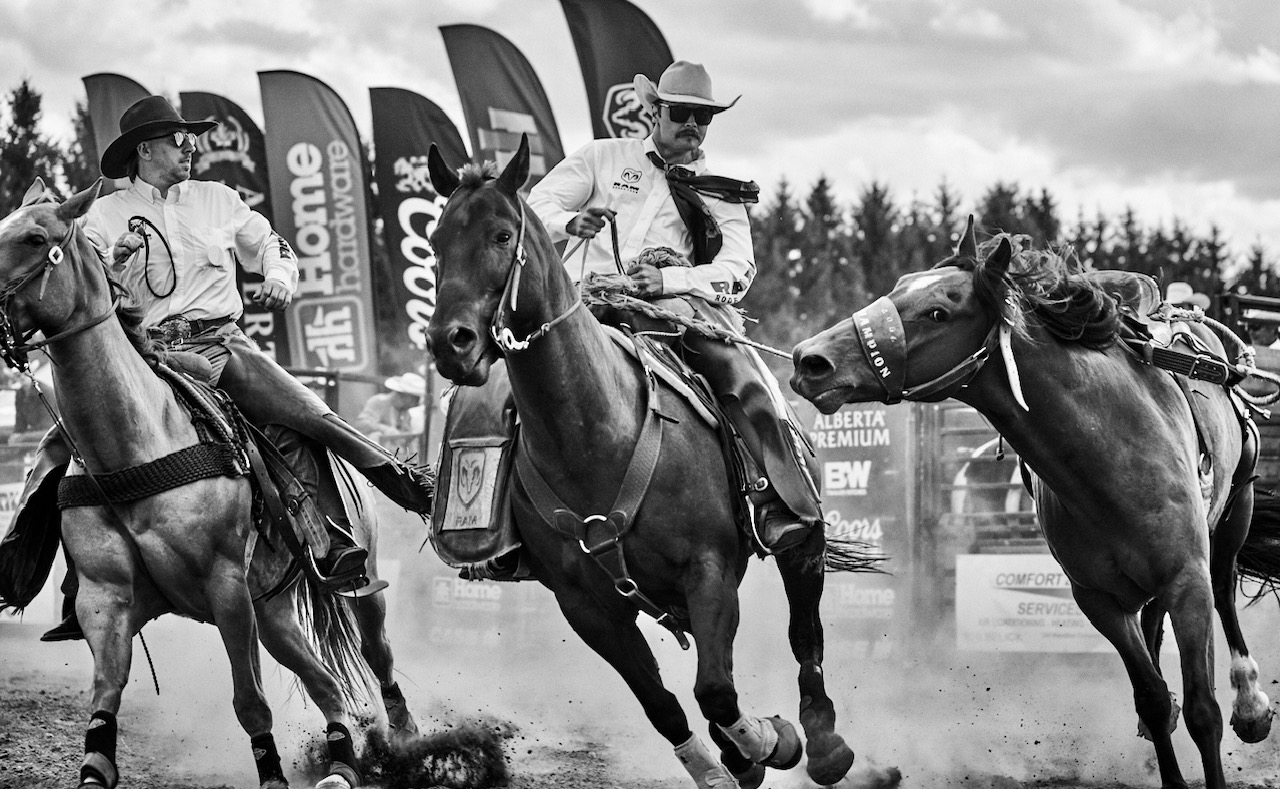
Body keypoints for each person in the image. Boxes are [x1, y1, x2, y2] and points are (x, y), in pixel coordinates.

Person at [23, 95, 433, 641]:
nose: (190, 147)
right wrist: (111, 264)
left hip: (222, 345)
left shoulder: (218, 199)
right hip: (142, 354)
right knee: (59, 449)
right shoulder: (101, 214)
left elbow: (269, 243)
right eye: (177, 139)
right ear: (145, 150)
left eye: (190, 138)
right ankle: (54, 576)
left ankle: (355, 525)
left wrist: (280, 275)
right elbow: (83, 284)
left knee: (311, 417)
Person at [527, 60, 819, 553]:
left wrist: (669, 280)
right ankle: (484, 519)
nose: (693, 125)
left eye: (703, 117)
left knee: (744, 379)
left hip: (673, 316)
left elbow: (739, 269)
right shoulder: (602, 158)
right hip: (583, 308)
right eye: (682, 112)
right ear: (655, 111)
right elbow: (537, 206)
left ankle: (774, 501)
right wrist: (572, 221)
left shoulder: (721, 190)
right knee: (494, 378)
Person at [356, 372, 427, 445]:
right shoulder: (378, 402)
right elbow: (362, 424)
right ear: (403, 395)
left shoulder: (405, 413)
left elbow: (404, 437)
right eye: (414, 398)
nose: (415, 403)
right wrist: (386, 429)